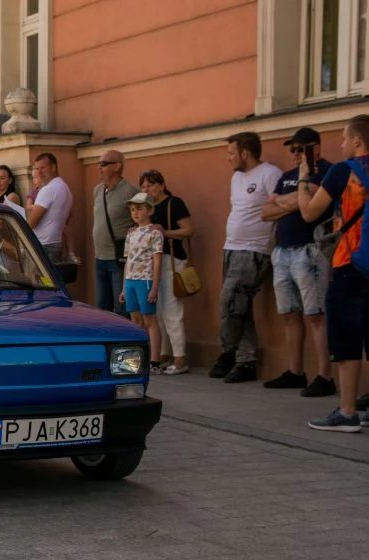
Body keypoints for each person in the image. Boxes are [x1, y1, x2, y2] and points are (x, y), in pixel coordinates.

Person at [299, 114, 369, 431]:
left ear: (357, 140)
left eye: (343, 137)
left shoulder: (343, 171)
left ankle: (347, 411)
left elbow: (309, 212)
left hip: (350, 265)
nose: (341, 144)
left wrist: (303, 180)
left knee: (346, 338)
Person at [260, 127, 335, 397]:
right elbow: (264, 212)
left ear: (314, 148)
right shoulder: (287, 176)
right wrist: (289, 201)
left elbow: (307, 208)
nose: (294, 154)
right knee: (290, 314)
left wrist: (287, 202)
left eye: (299, 149)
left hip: (310, 251)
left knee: (315, 314)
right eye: (291, 149)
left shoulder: (326, 170)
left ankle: (325, 376)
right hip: (282, 251)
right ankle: (295, 372)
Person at [209, 132, 282, 383]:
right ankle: (246, 361)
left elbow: (278, 208)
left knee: (230, 303)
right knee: (242, 308)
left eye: (231, 152)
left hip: (254, 250)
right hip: (231, 247)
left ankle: (228, 351)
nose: (228, 158)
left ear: (244, 153)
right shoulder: (236, 178)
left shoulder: (270, 174)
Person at [140, 169, 193, 375]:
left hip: (172, 261)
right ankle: (162, 355)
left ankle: (180, 358)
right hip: (153, 264)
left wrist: (165, 232)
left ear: (162, 185)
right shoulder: (145, 208)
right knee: (158, 312)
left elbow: (188, 230)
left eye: (151, 185)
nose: (147, 189)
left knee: (172, 310)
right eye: (143, 186)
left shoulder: (173, 203)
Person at [120, 192, 163, 372]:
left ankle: (154, 361)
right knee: (134, 321)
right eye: (132, 210)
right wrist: (123, 287)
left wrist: (154, 287)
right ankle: (136, 360)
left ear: (150, 210)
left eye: (139, 209)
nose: (135, 213)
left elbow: (157, 260)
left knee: (149, 320)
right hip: (130, 280)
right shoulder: (131, 233)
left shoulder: (155, 233)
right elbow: (128, 260)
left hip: (145, 280)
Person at [92, 149, 139, 315]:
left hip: (118, 259)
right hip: (99, 257)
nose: (99, 167)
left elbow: (140, 221)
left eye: (103, 164)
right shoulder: (98, 191)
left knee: (121, 307)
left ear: (117, 167)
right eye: (98, 164)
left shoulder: (131, 192)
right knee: (101, 306)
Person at [27, 153, 73, 261]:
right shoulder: (65, 188)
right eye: (37, 168)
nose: (39, 172)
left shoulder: (48, 189)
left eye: (43, 168)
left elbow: (33, 222)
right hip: (55, 243)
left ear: (53, 167)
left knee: (41, 278)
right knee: (49, 278)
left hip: (44, 245)